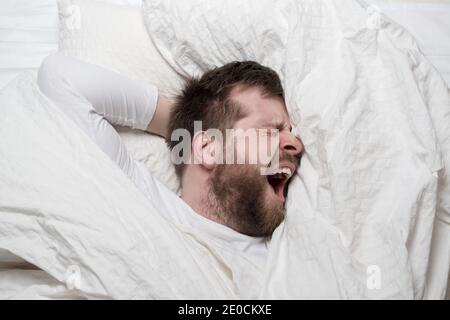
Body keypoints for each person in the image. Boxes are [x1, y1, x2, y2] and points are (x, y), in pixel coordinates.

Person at [37, 53, 303, 296]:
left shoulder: (290, 254)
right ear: (208, 148)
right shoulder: (139, 198)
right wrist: (185, 130)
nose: (296, 144)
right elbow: (59, 77)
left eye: (290, 131)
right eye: (271, 131)